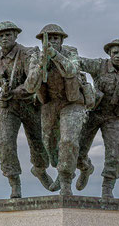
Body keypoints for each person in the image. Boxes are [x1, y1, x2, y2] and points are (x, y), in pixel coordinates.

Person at [0, 21, 51, 198]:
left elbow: (32, 81)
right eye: (1, 35)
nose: (4, 38)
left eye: (8, 34)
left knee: (38, 143)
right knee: (5, 144)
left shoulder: (27, 53)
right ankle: (14, 181)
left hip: (30, 104)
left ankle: (40, 169)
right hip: (8, 107)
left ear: (15, 35)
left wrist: (14, 91)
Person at [24, 24, 88, 197]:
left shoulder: (71, 52)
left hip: (72, 102)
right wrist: (40, 66)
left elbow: (72, 70)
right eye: (49, 38)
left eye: (55, 38)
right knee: (49, 147)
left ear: (61, 40)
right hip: (50, 104)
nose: (52, 41)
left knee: (68, 141)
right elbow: (30, 87)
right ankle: (66, 167)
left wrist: (55, 55)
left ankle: (66, 180)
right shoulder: (36, 56)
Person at [77, 39, 119, 199]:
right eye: (115, 53)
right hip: (93, 113)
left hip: (114, 117)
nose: (118, 56)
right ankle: (85, 168)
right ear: (109, 54)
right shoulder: (99, 65)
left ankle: (107, 187)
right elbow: (77, 63)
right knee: (77, 151)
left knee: (113, 155)